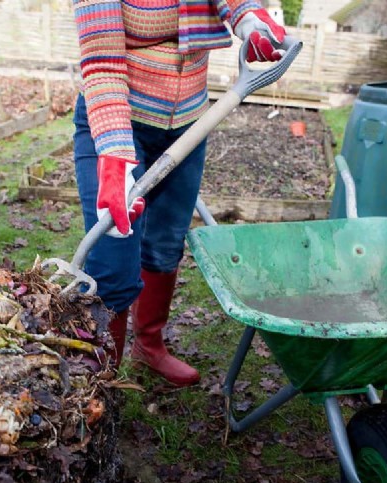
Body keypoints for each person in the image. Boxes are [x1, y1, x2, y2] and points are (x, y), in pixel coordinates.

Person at [72, 0, 286, 386]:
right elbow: (102, 60)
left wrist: (249, 18)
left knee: (166, 244)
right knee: (113, 262)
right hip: (117, 122)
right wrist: (116, 152)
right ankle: (103, 381)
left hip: (188, 121)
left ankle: (149, 347)